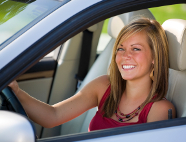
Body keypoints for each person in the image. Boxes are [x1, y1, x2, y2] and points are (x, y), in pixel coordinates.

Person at [9, 17, 176, 131]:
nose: (126, 56)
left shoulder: (160, 110)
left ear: (155, 56)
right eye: (121, 48)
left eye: (136, 49)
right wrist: (16, 91)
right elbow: (53, 116)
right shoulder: (103, 86)